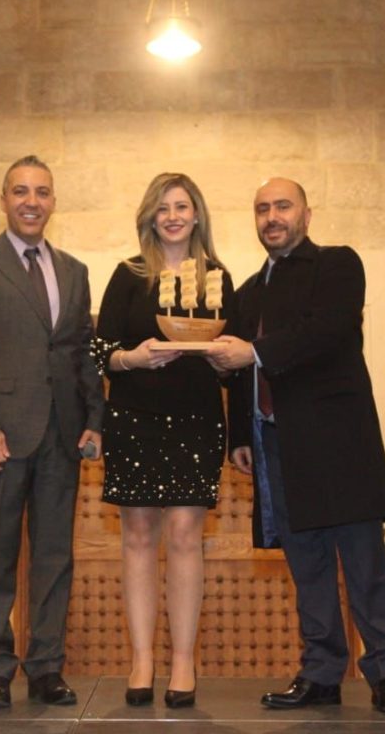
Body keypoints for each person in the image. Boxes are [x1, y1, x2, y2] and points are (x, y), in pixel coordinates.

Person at [207, 178, 385, 715]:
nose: (272, 216)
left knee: (365, 565)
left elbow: (327, 331)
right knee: (308, 566)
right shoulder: (248, 291)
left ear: (306, 213)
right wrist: (240, 435)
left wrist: (252, 352)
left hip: (339, 442)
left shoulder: (337, 264)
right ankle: (321, 674)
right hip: (276, 444)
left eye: (283, 206)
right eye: (262, 209)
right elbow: (237, 371)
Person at [0, 155, 105, 709]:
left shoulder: (74, 271)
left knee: (54, 558)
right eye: (20, 191)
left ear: (53, 201)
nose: (31, 201)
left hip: (62, 437)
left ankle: (45, 669)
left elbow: (82, 354)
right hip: (2, 438)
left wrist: (95, 420)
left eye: (41, 192)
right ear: (3, 200)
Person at [91, 173, 234, 708]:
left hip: (196, 417)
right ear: (151, 216)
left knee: (184, 536)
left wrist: (223, 358)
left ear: (197, 216)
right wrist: (134, 358)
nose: (172, 216)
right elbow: (99, 351)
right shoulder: (128, 274)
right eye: (163, 207)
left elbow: (235, 360)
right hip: (135, 416)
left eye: (182, 206)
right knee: (137, 537)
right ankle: (141, 660)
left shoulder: (218, 277)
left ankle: (183, 661)